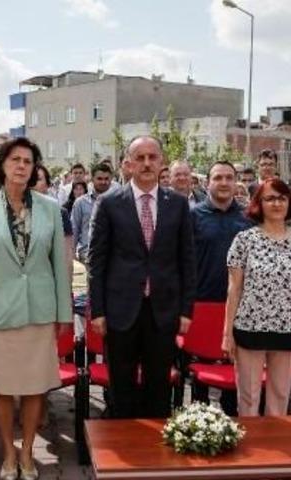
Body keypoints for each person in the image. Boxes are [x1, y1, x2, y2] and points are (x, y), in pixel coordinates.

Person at [0, 138, 71, 480]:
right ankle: (8, 453)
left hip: (40, 311)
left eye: (28, 161)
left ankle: (27, 451)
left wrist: (63, 312)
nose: (22, 166)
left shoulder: (50, 208)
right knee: (1, 386)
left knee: (34, 385)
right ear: (2, 165)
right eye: (15, 159)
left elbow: (60, 264)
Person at [88, 135, 196, 419]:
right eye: (140, 158)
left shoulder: (178, 204)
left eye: (152, 157)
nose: (147, 163)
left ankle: (155, 454)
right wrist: (97, 311)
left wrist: (186, 310)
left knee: (158, 386)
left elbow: (187, 260)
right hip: (120, 311)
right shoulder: (109, 203)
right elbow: (96, 261)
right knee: (121, 388)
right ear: (128, 164)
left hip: (163, 311)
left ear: (162, 162)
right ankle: (123, 452)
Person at [223, 178, 291, 417]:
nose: (277, 203)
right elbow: (234, 290)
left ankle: (277, 451)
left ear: (289, 202)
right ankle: (250, 451)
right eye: (270, 198)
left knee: (280, 397)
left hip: (288, 329)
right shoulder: (245, 240)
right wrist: (227, 334)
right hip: (249, 328)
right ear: (259, 204)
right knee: (248, 396)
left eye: (282, 198)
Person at [191, 161, 253, 416]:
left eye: (229, 178)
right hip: (202, 301)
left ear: (236, 182)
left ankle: (231, 417)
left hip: (238, 303)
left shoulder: (248, 218)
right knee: (200, 368)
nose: (224, 183)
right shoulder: (193, 216)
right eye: (218, 178)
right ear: (208, 183)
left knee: (232, 366)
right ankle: (199, 421)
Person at [72, 163, 113, 263]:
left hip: (112, 258)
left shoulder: (119, 201)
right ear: (92, 179)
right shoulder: (80, 203)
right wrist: (72, 256)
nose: (103, 182)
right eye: (99, 179)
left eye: (106, 179)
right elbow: (74, 230)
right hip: (87, 257)